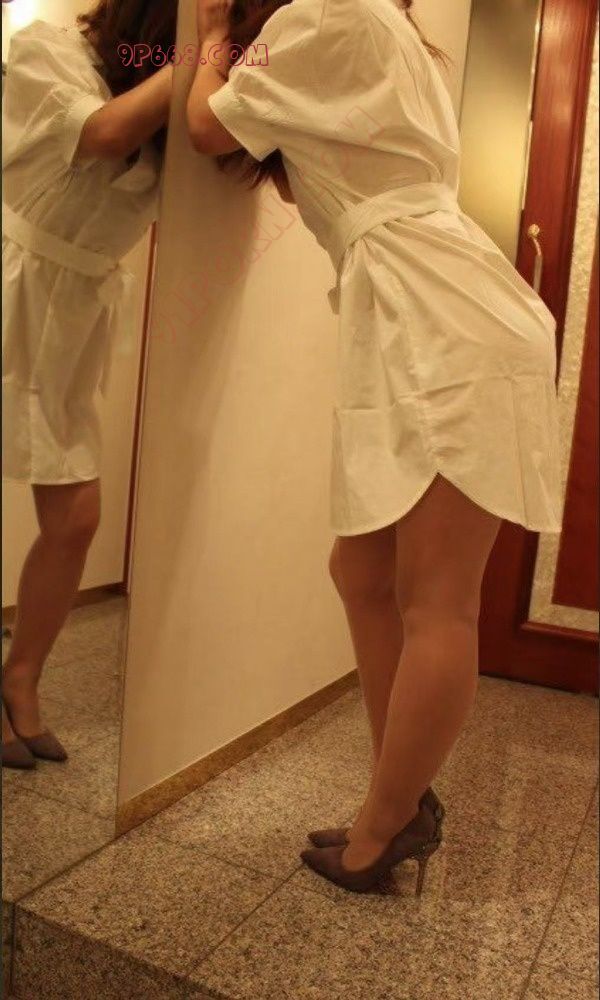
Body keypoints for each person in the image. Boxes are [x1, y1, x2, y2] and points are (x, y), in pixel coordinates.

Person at [186, 0, 563, 894]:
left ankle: (385, 823)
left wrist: (208, 40)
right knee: (360, 572)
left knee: (438, 600)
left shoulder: (324, 13)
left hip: (442, 319)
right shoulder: (379, 28)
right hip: (418, 310)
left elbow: (206, 126)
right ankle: (401, 797)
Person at [1, 0, 177, 770]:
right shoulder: (49, 48)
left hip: (72, 317)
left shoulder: (167, 101)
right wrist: (204, 52)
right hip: (10, 283)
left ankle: (19, 679)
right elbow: (102, 134)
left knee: (75, 520)